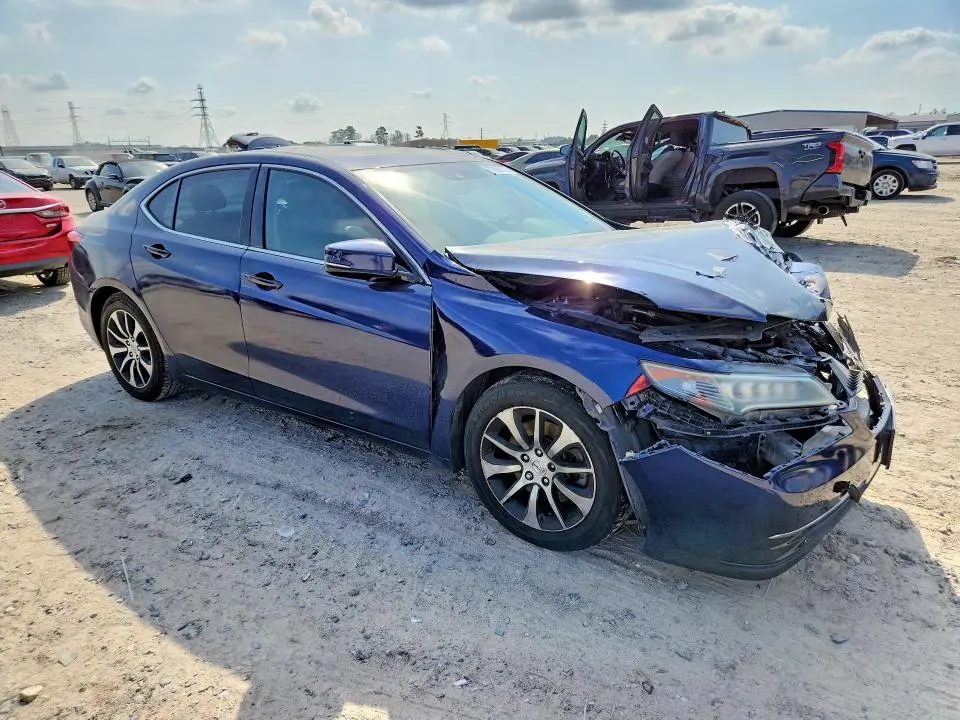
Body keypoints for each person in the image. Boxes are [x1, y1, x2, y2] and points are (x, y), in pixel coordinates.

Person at [647, 129, 695, 199]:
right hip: (679, 189)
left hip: (653, 188)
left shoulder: (670, 153)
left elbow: (649, 166)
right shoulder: (689, 155)